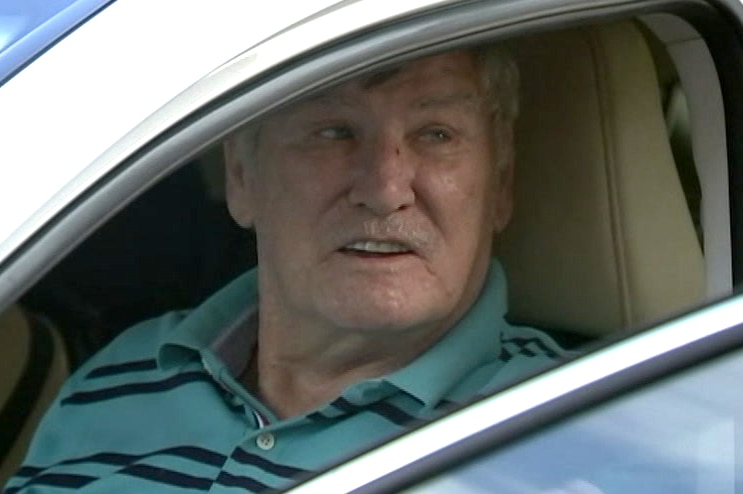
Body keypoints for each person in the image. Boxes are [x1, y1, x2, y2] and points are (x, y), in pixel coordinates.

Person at [5, 47, 565, 493]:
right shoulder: (123, 373)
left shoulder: (567, 428)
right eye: (334, 131)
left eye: (436, 134)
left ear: (501, 186)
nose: (385, 189)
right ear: (242, 177)